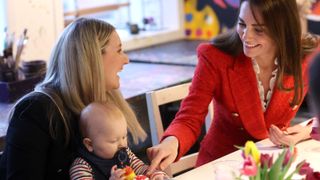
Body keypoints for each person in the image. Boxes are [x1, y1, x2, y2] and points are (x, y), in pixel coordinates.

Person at [147, 0, 319, 171]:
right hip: (221, 165)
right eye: (242, 24)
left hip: (276, 161)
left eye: (258, 30)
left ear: (283, 30)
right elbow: (190, 115)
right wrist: (171, 142)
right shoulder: (215, 57)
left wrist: (307, 131)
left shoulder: (307, 56)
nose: (246, 36)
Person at [0, 18, 147, 179]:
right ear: (93, 59)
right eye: (119, 51)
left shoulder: (101, 106)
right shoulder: (34, 111)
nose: (126, 60)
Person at [69, 102, 168, 180]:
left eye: (124, 137)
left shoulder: (124, 153)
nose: (122, 144)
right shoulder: (82, 167)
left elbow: (141, 168)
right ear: (90, 144)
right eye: (113, 141)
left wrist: (155, 175)